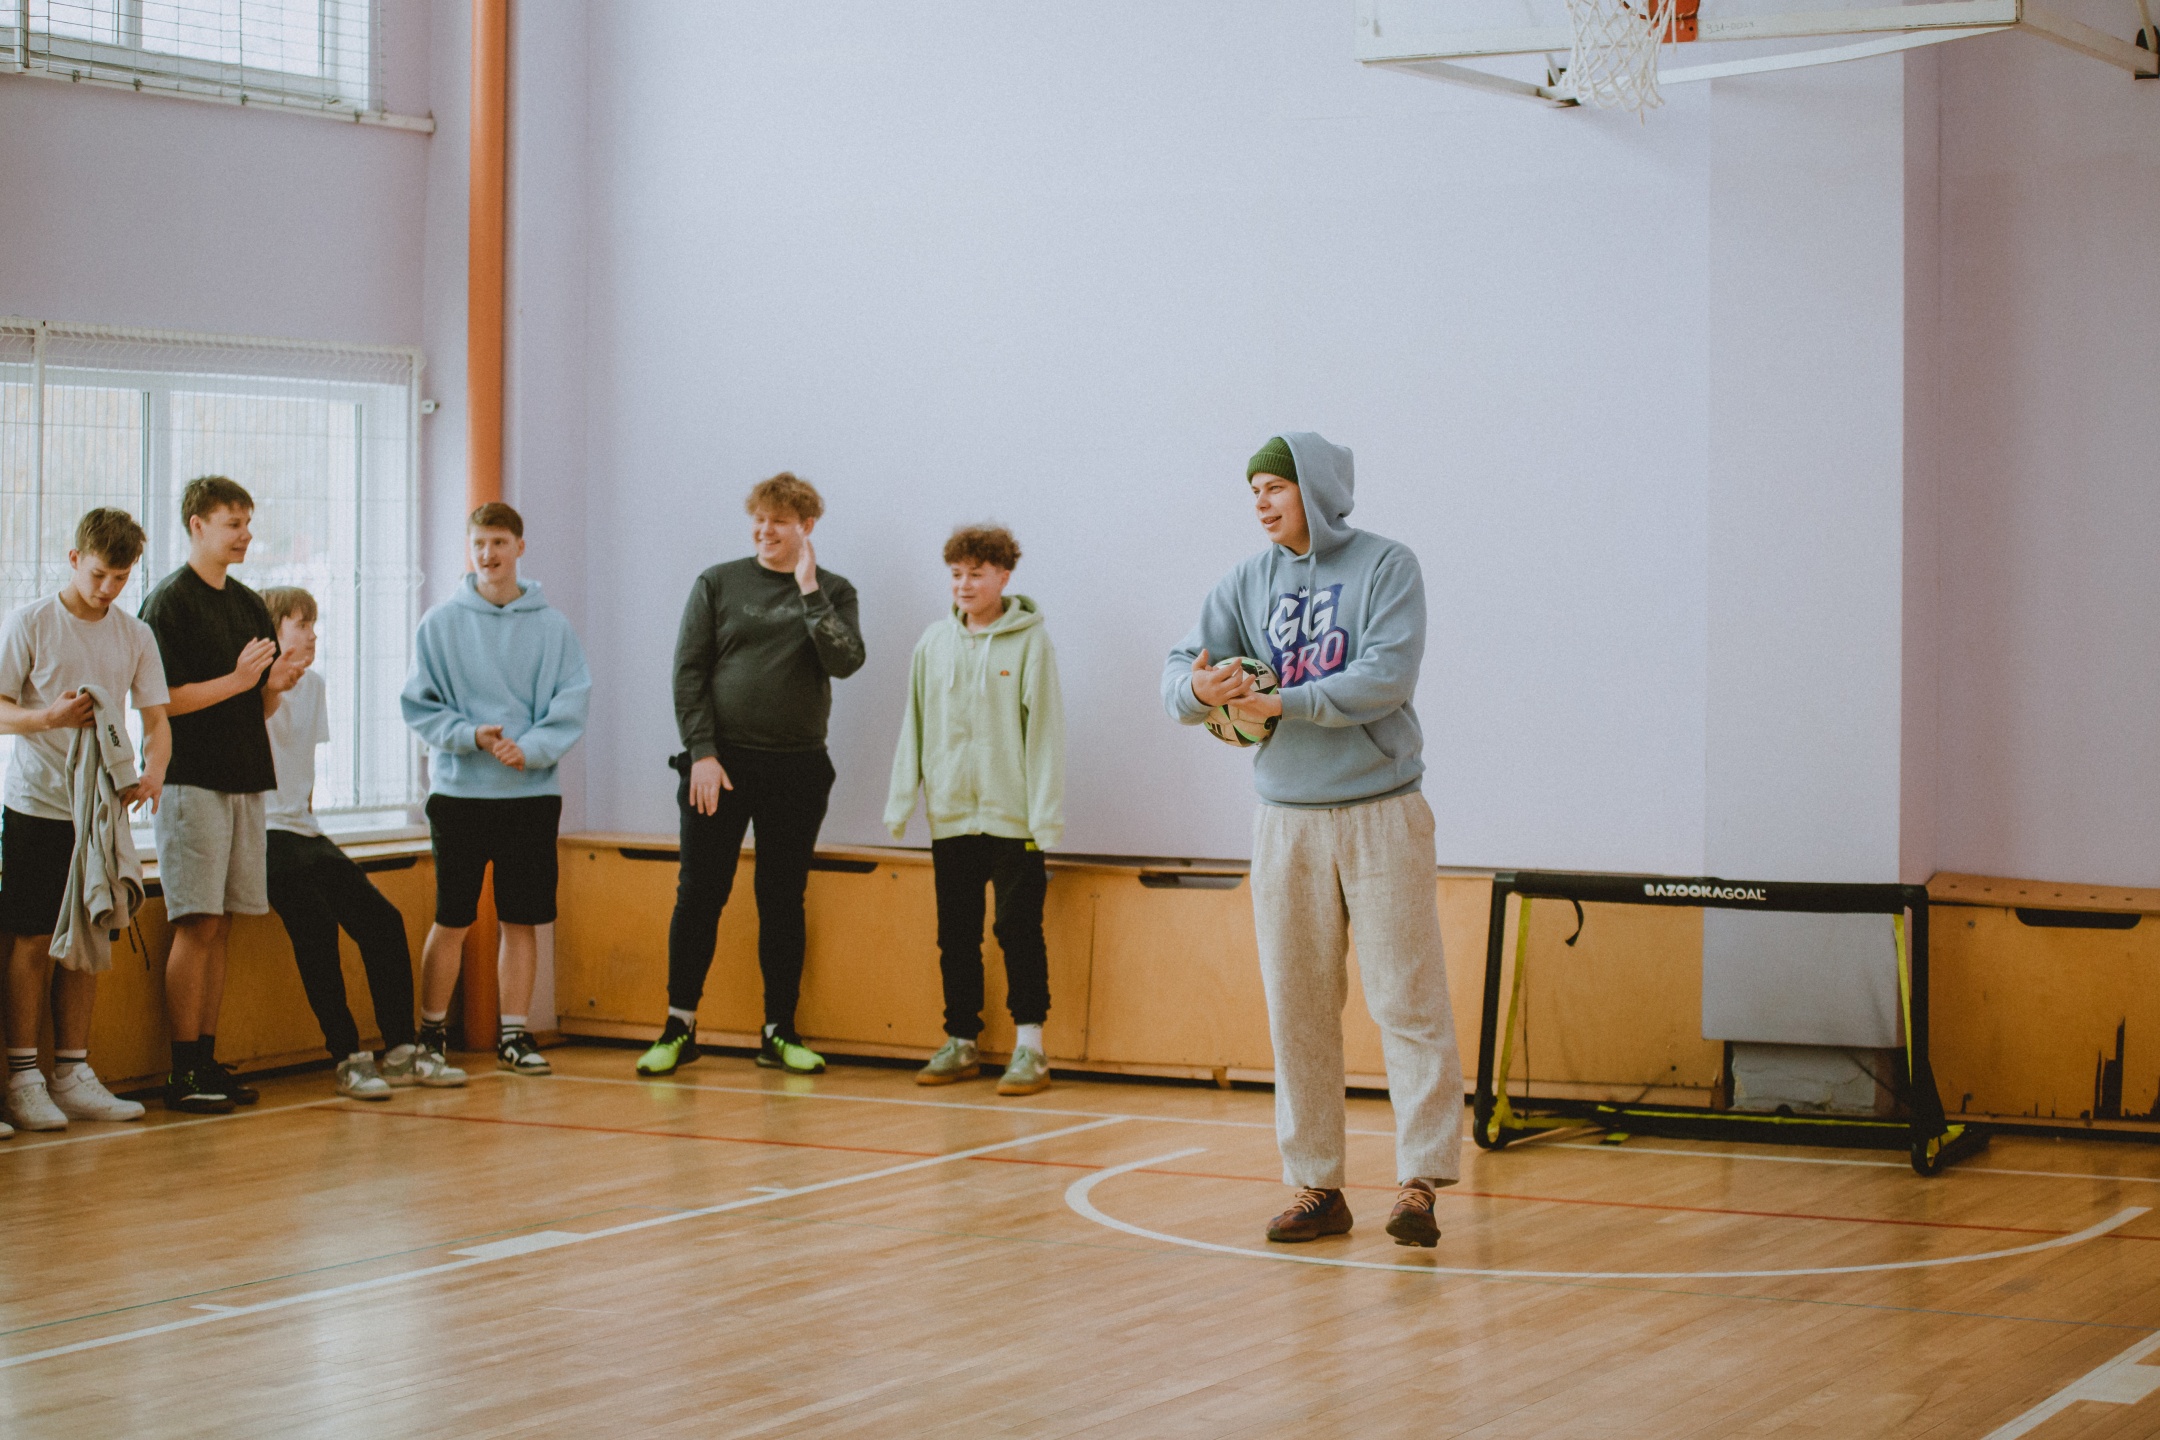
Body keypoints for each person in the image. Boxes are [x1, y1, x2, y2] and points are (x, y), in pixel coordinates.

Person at [1161, 433, 1463, 1249]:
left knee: (1406, 999)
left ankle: (1420, 1182)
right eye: (1253, 491)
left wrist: (1283, 702)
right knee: (1297, 1006)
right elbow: (1178, 669)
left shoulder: (1387, 565)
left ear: (1316, 487)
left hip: (1382, 811)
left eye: (1275, 486)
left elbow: (1386, 676)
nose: (1261, 503)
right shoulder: (1244, 581)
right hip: (1285, 820)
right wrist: (1199, 688)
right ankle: (1316, 1187)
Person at [636, 473, 865, 1079]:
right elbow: (688, 672)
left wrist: (809, 590)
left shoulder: (834, 590)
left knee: (782, 898)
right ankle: (679, 1027)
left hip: (798, 768)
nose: (765, 531)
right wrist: (702, 752)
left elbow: (845, 660)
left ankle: (778, 1031)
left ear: (806, 527)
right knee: (699, 894)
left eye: (779, 522)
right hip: (720, 766)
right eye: (759, 520)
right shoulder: (718, 582)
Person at [401, 502, 590, 1076]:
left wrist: (528, 749)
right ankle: (430, 1035)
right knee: (452, 919)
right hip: (459, 795)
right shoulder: (439, 624)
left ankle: (514, 1035)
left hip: (530, 796)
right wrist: (470, 736)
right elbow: (419, 706)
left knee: (521, 920)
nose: (489, 554)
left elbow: (571, 703)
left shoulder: (554, 628)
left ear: (519, 548)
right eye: (480, 543)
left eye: (500, 542)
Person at [0, 508, 170, 1133]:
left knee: (89, 935)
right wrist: (45, 718)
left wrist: (154, 770)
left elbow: (156, 719)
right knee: (32, 938)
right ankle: (23, 1078)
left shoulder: (134, 633)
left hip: (100, 811)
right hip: (39, 803)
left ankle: (72, 1073)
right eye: (99, 574)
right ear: (74, 560)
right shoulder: (31, 623)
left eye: (120, 578)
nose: (108, 588)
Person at [261, 587, 466, 1098]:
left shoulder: (315, 686)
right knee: (316, 924)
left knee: (384, 920)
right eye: (300, 625)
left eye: (314, 624)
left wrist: (308, 822)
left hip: (303, 830)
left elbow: (302, 771)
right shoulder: (251, 687)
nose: (313, 635)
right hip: (260, 833)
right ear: (271, 632)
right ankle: (347, 1056)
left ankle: (400, 1049)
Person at [885, 524, 1064, 1096]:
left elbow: (1045, 734)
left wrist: (1044, 816)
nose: (964, 584)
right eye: (957, 574)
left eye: (977, 574)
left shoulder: (1032, 643)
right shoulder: (932, 643)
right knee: (956, 934)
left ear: (1003, 577)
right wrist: (902, 801)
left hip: (1015, 819)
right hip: (952, 817)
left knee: (1017, 929)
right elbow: (913, 724)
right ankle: (961, 1040)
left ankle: (1030, 1048)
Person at [141, 476, 281, 1114]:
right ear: (197, 525)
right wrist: (238, 680)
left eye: (248, 523)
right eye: (233, 524)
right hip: (191, 780)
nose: (245, 535)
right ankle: (182, 1070)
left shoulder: (250, 604)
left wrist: (276, 683)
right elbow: (159, 702)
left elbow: (257, 700)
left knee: (221, 925)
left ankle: (206, 1056)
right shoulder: (169, 603)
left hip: (244, 777)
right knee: (196, 922)